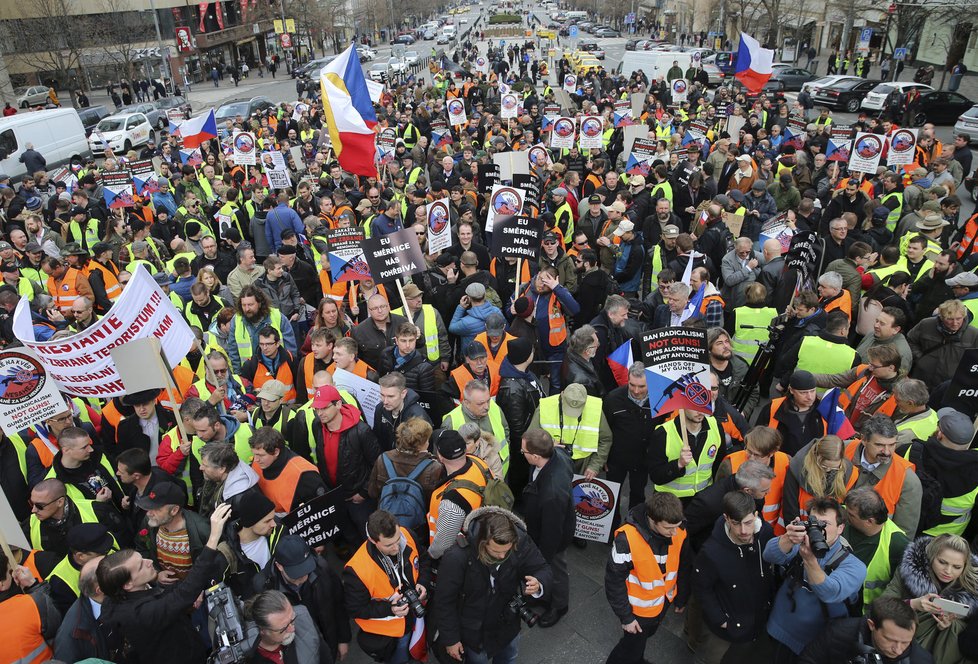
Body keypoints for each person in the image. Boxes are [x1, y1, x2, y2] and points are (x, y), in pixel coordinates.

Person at [97, 503, 232, 664]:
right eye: (141, 566)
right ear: (127, 585)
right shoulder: (138, 614)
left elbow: (175, 599)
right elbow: (184, 594)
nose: (149, 562)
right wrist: (213, 538)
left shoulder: (130, 593)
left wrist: (184, 606)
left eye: (142, 558)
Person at [432, 506, 552, 663]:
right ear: (482, 542)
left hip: (507, 627)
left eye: (507, 550)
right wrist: (451, 639)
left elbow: (542, 568)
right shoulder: (457, 557)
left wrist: (539, 582)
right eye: (495, 551)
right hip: (475, 634)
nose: (502, 556)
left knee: (509, 658)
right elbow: (444, 601)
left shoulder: (521, 542)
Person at [764, 496, 867, 660]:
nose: (817, 530)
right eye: (814, 523)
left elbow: (830, 592)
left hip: (817, 644)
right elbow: (769, 555)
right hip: (780, 631)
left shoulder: (855, 566)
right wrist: (787, 538)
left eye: (824, 524)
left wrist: (810, 561)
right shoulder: (800, 544)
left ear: (840, 528)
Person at [605, 492, 691, 664]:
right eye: (668, 528)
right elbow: (613, 581)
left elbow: (684, 565)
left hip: (662, 603)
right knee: (630, 647)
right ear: (652, 519)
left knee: (639, 642)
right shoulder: (626, 539)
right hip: (638, 612)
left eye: (677, 526)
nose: (675, 532)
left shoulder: (678, 529)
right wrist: (626, 618)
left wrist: (681, 598)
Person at [691, 491, 776, 664]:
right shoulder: (711, 552)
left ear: (756, 515)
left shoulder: (766, 533)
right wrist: (720, 620)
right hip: (726, 629)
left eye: (748, 523)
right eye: (736, 524)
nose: (744, 531)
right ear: (726, 518)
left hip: (757, 620)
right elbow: (702, 588)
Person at [342, 509, 430, 663]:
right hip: (392, 633)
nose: (397, 547)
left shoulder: (406, 534)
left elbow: (423, 558)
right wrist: (390, 608)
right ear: (373, 541)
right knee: (400, 657)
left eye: (397, 539)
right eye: (389, 545)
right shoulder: (356, 570)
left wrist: (422, 581)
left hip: (416, 615)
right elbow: (355, 609)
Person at [880, 534, 978, 664]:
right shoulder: (909, 571)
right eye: (942, 562)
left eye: (957, 567)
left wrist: (950, 625)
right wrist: (913, 604)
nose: (948, 571)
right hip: (901, 642)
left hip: (946, 650)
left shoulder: (972, 588)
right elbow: (881, 606)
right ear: (931, 556)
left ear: (965, 567)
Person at [252, 535, 351, 662]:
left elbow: (338, 602)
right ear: (279, 566)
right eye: (296, 572)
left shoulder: (320, 567)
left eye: (306, 569)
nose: (303, 577)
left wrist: (343, 638)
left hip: (328, 638)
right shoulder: (264, 586)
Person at [518, 429, 575, 628]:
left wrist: (544, 557)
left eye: (523, 451)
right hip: (546, 525)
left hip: (552, 536)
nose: (521, 453)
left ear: (535, 456)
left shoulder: (552, 491)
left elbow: (552, 531)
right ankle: (542, 592)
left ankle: (560, 605)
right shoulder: (557, 454)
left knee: (555, 569)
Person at [843, 414, 922, 535]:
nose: (886, 452)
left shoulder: (907, 480)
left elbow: (903, 533)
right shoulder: (841, 450)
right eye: (879, 445)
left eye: (892, 445)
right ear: (864, 440)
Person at [799, 596, 933, 664]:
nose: (898, 650)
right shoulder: (837, 633)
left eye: (906, 642)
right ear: (872, 625)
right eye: (890, 639)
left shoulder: (922, 660)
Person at [843, 487, 910, 610]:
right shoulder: (842, 518)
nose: (846, 515)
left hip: (866, 612)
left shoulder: (897, 544)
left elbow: (902, 588)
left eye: (851, 515)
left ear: (869, 521)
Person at [0, 550, 62, 664]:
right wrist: (34, 586)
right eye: (9, 572)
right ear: (1, 584)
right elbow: (59, 628)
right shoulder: (31, 604)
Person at [249, 427, 325, 515]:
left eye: (261, 455)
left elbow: (322, 509)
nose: (256, 460)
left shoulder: (304, 474)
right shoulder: (258, 462)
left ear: (276, 451)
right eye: (254, 454)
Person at [243, 589, 332, 663]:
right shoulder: (250, 657)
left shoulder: (302, 616)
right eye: (283, 629)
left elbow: (324, 655)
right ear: (263, 630)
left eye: (292, 619)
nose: (292, 628)